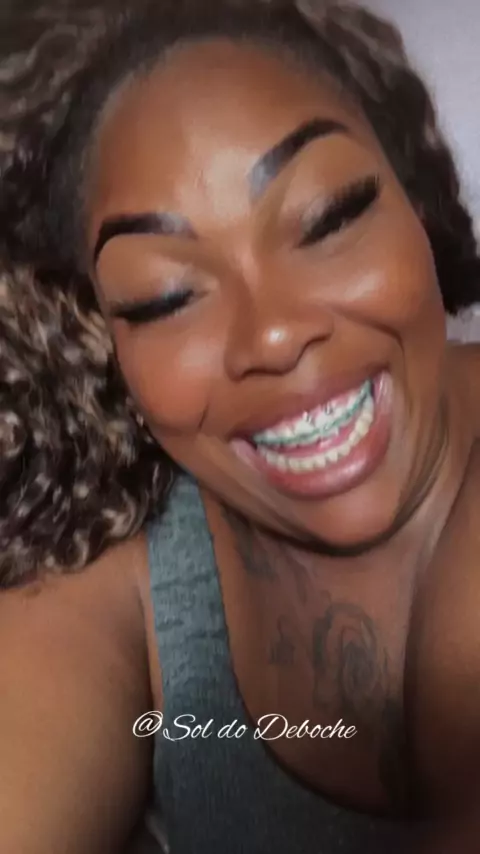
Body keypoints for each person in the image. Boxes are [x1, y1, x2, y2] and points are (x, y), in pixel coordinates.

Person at [1, 0, 480, 851]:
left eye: (328, 217)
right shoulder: (121, 579)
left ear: (415, 202)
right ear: (102, 339)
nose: (274, 335)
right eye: (165, 297)